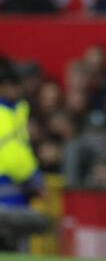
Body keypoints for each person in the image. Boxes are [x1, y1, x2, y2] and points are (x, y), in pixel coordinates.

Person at [0, 59, 44, 251]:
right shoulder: (4, 113)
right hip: (7, 191)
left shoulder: (16, 110)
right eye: (16, 84)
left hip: (16, 192)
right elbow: (12, 155)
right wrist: (33, 179)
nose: (20, 88)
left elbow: (21, 150)